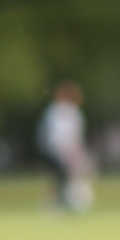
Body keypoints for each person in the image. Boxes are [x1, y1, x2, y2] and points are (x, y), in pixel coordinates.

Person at [38, 80, 96, 212]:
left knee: (59, 178)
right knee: (62, 178)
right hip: (61, 150)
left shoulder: (54, 110)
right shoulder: (68, 112)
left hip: (54, 149)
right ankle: (60, 203)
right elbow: (66, 135)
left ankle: (59, 203)